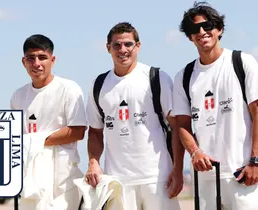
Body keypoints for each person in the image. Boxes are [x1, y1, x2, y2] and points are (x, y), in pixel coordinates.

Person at [85, 22, 184, 210]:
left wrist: (177, 169)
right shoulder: (99, 84)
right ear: (108, 48)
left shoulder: (157, 78)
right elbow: (95, 132)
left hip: (157, 178)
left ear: (138, 46)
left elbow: (176, 126)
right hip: (118, 181)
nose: (123, 50)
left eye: (128, 44)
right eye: (117, 45)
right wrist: (93, 163)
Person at [172, 2, 258, 209]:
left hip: (242, 172)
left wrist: (255, 161)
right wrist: (194, 152)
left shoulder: (242, 62)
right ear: (190, 37)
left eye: (207, 25)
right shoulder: (183, 77)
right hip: (205, 178)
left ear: (219, 29)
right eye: (194, 29)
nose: (201, 32)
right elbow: (182, 125)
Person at [10, 34, 87, 210]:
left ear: (52, 60)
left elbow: (78, 131)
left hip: (62, 180)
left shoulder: (69, 89)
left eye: (42, 57)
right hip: (30, 180)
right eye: (31, 58)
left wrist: (33, 140)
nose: (36, 63)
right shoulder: (18, 95)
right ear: (24, 62)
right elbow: (15, 138)